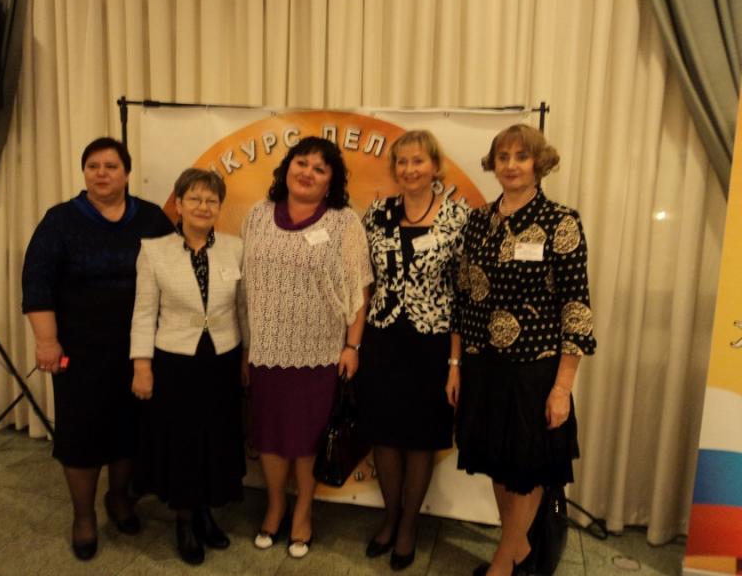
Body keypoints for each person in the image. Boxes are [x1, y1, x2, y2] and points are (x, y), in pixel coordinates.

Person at [452, 124, 596, 576]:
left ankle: (503, 562)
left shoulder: (560, 221)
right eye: (503, 156)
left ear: (539, 163)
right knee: (499, 463)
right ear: (493, 164)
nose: (511, 165)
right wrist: (456, 364)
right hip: (482, 365)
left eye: (521, 156)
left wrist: (562, 387)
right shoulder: (477, 221)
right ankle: (519, 552)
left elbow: (576, 308)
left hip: (533, 370)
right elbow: (462, 297)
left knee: (527, 467)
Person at [21, 137, 173, 560]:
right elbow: (36, 284)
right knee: (82, 436)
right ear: (84, 172)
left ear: (127, 173)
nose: (101, 173)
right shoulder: (61, 220)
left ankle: (118, 499)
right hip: (80, 353)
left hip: (139, 351)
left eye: (110, 166)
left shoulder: (152, 218)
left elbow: (175, 272)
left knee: (129, 430)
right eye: (93, 166)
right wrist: (46, 342)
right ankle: (84, 516)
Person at [241, 136, 373, 559]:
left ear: (331, 181)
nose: (308, 173)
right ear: (287, 168)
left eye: (320, 168)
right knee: (270, 435)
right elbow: (244, 287)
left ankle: (303, 510)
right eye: (302, 163)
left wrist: (353, 345)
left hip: (321, 352)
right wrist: (246, 347)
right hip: (266, 349)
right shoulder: (258, 215)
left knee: (307, 437)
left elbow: (359, 290)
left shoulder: (343, 222)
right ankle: (275, 504)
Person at [357, 130, 470, 571]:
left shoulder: (458, 217)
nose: (409, 169)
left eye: (418, 161)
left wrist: (455, 363)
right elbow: (363, 280)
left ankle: (408, 525)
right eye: (402, 162)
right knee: (384, 434)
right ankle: (389, 517)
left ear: (435, 166)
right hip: (383, 339)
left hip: (432, 343)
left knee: (421, 437)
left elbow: (462, 294)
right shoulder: (377, 213)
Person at [129, 168, 247, 565]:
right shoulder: (154, 250)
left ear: (219, 207)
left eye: (211, 200)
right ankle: (184, 520)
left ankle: (205, 512)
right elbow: (143, 313)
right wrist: (141, 366)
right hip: (175, 362)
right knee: (182, 442)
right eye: (194, 198)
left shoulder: (234, 248)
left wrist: (246, 356)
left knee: (215, 438)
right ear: (178, 204)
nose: (203, 206)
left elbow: (242, 308)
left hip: (222, 359)